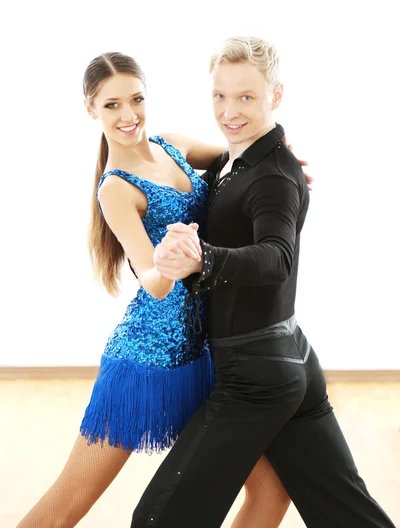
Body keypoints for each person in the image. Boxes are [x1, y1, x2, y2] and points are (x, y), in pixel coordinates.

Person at [17, 51, 311, 528]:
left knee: (274, 492)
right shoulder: (115, 189)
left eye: (135, 99)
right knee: (65, 508)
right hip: (145, 363)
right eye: (112, 105)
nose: (128, 115)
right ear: (90, 109)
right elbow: (151, 280)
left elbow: (242, 161)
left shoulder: (174, 147)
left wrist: (287, 171)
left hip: (207, 355)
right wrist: (173, 263)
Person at [131, 37, 396, 528]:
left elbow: (277, 258)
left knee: (159, 520)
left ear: (276, 95)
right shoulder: (241, 160)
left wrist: (201, 260)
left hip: (253, 375)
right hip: (287, 357)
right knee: (345, 511)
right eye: (220, 95)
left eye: (246, 97)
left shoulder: (272, 175)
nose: (230, 110)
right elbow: (168, 151)